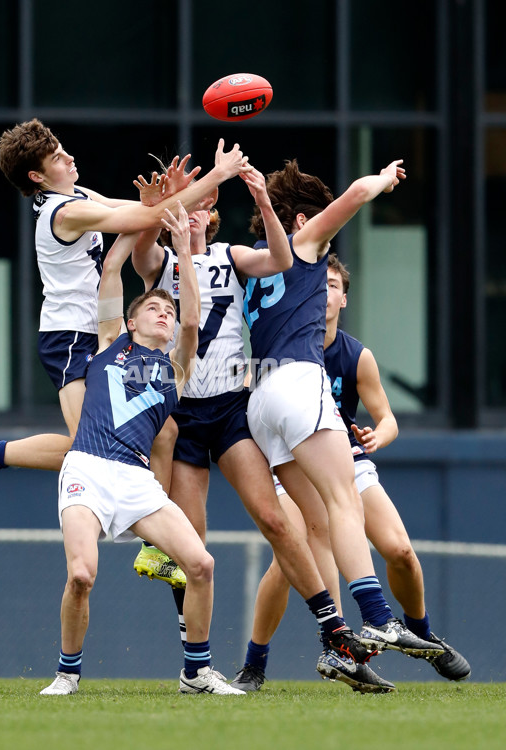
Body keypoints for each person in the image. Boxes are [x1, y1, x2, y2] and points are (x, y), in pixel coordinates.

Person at [128, 161, 380, 684]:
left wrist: (264, 201)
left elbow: (283, 257)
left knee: (275, 519)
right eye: (186, 206)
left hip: (230, 406)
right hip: (181, 412)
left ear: (212, 215)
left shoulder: (229, 257)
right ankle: (195, 663)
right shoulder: (162, 263)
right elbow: (139, 248)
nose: (192, 213)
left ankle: (333, 629)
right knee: (190, 543)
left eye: (200, 205)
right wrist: (159, 206)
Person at [0, 120, 247, 506]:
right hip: (68, 338)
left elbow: (137, 212)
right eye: (58, 158)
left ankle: (155, 545)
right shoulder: (64, 213)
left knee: (163, 431)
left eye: (63, 148)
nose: (69, 156)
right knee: (90, 451)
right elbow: (145, 219)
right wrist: (217, 175)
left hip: (102, 330)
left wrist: (173, 198)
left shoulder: (76, 194)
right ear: (37, 175)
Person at [230, 158, 445, 692]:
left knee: (319, 525)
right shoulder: (303, 244)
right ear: (301, 218)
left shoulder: (251, 263)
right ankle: (377, 614)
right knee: (345, 496)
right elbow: (354, 195)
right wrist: (386, 177)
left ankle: (338, 646)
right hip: (301, 383)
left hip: (260, 400)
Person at [40, 202, 245, 696]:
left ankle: (196, 673)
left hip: (136, 480)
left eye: (168, 311)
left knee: (201, 565)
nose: (164, 313)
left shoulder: (176, 366)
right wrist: (150, 212)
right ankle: (67, 674)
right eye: (154, 307)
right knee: (83, 575)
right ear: (131, 322)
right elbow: (111, 267)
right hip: (87, 468)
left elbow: (193, 319)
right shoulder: (110, 342)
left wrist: (182, 257)